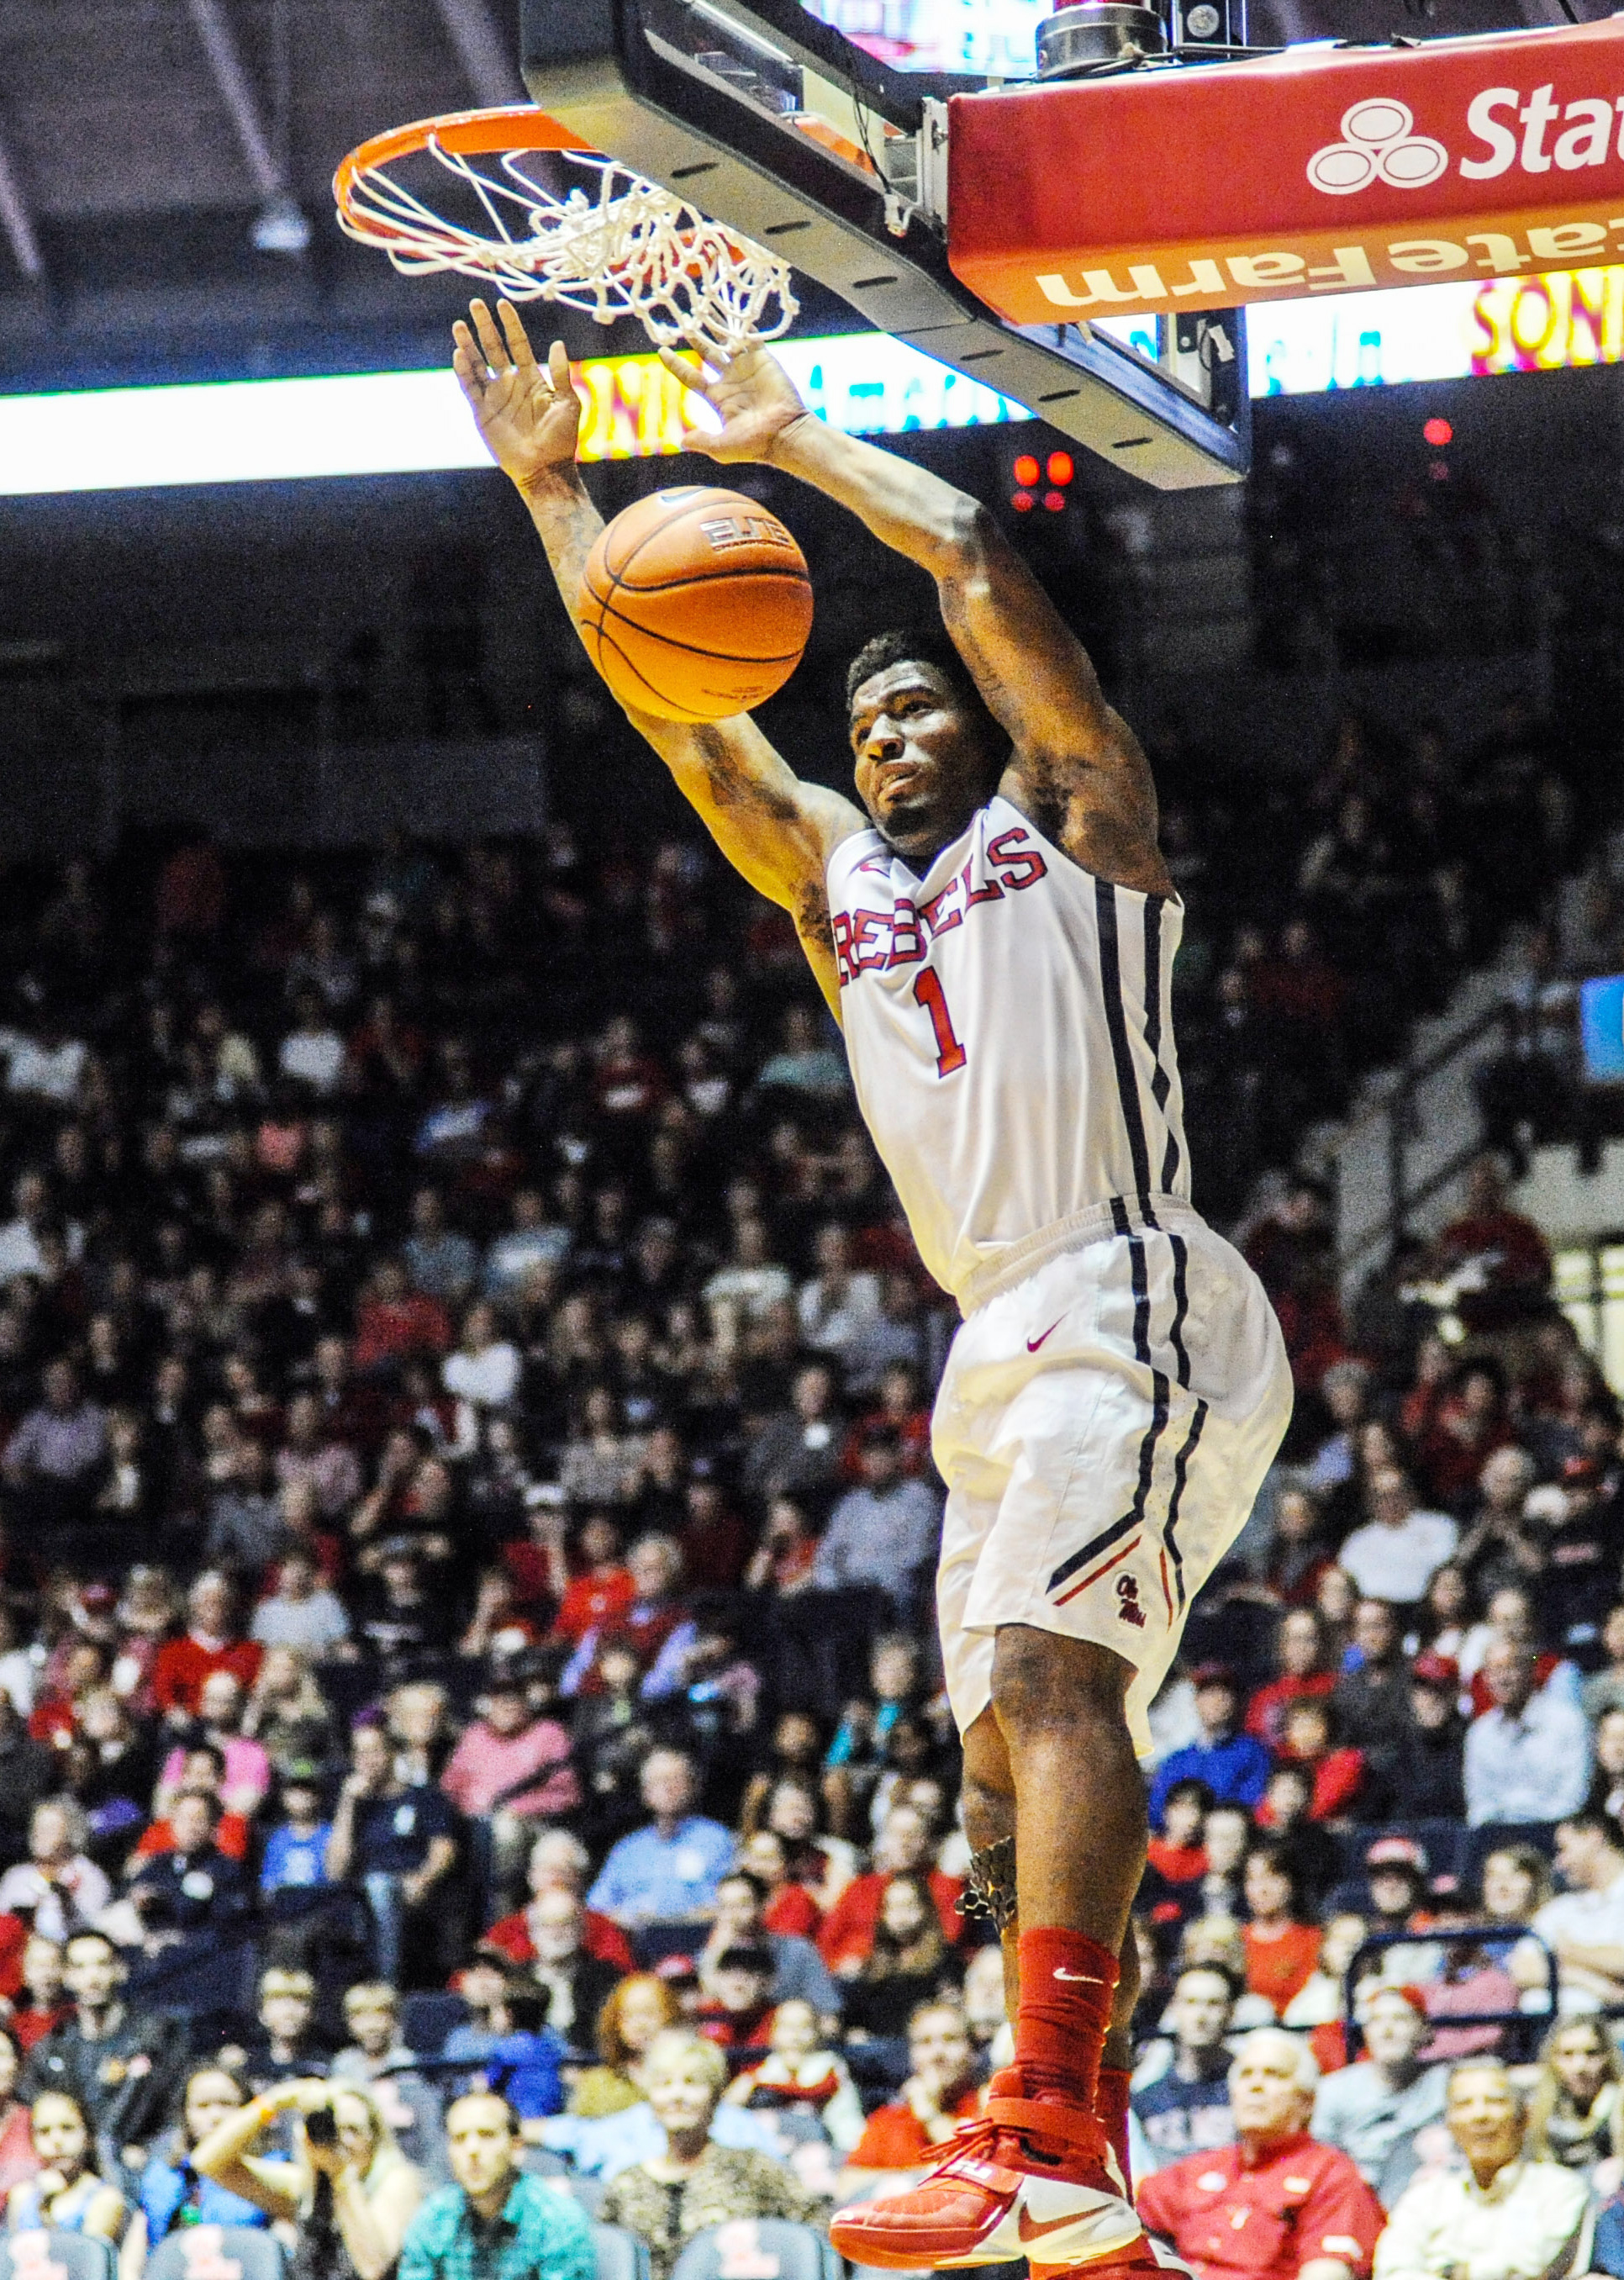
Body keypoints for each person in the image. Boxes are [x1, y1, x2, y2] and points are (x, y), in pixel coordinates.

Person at [453, 295, 1294, 2277]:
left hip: (1132, 1279)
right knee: (997, 1762)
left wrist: (799, 441)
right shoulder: (844, 888)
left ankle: (1043, 2118)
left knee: (1057, 1686)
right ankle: (1065, 2140)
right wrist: (558, 494)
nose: (888, 727)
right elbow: (687, 715)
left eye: (920, 704)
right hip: (995, 1339)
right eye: (865, 716)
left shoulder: (1081, 817)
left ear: (991, 728)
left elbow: (983, 574)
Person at [1136, 2029, 1385, 2280]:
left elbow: (1328, 2273)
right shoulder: (1203, 2167)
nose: (1255, 2086)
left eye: (1274, 2074)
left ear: (1307, 2102)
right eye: (1246, 2075)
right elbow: (1127, 2205)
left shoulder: (1331, 2173)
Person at [599, 2030, 825, 2280]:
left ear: (715, 2098)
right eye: (664, 2084)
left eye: (691, 2083)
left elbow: (817, 2230)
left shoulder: (751, 2168)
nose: (677, 2096)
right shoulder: (625, 2184)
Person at [191, 2077, 425, 2280]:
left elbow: (373, 2268)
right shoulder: (305, 2187)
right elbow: (207, 2162)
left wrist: (342, 2177)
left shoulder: (395, 2180)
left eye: (353, 2130)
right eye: (333, 2130)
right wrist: (278, 2100)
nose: (340, 2140)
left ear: (374, 2137)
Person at [1373, 2060, 1590, 2280]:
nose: (1479, 2116)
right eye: (1464, 2104)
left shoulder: (1559, 2190)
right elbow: (1393, 2270)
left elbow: (1530, 2270)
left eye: (1495, 2101)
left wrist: (1448, 2271)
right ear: (1449, 2123)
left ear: (1524, 2117)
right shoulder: (1423, 2199)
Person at [21, 1930, 189, 2167]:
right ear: (66, 1976)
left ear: (120, 1970)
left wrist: (150, 2151)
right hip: (80, 2171)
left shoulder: (158, 2036)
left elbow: (177, 2111)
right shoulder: (51, 2050)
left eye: (102, 1964)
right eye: (79, 1967)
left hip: (147, 2163)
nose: (92, 1977)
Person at [398, 2091, 593, 2280]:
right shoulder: (432, 2217)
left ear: (516, 2147)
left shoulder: (559, 2221)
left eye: (487, 2135)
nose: (472, 2150)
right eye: (459, 2138)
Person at [326, 1721, 459, 1986]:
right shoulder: (354, 1807)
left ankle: (387, 1985)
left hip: (410, 1890)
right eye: (360, 1754)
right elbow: (335, 1870)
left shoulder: (424, 1798)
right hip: (360, 1895)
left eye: (374, 1751)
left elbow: (444, 1851)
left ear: (392, 1753)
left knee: (381, 1887)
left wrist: (423, 1879)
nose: (368, 1761)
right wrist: (348, 1803)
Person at [1310, 1987, 1448, 2208]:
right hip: (1354, 2202)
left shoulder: (1446, 2085)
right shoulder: (1335, 2090)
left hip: (1430, 2201)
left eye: (1400, 2019)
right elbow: (1321, 2163)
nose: (1387, 2030)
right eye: (1376, 2020)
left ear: (1424, 2030)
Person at [124, 2066, 271, 2272]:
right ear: (185, 2115)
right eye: (202, 2106)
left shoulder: (272, 2171)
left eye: (227, 2104)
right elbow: (133, 2262)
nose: (215, 2116)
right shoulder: (162, 2174)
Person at [840, 2002, 983, 2190]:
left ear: (972, 2050)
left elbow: (979, 2171)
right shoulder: (888, 2118)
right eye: (925, 2042)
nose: (937, 2053)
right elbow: (846, 2186)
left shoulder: (988, 2106)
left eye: (950, 2040)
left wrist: (930, 2114)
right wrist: (917, 2178)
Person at [585, 1748, 733, 1929]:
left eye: (676, 1780)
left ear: (693, 1787)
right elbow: (596, 1909)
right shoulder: (628, 1850)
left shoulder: (718, 1840)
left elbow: (738, 1901)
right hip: (637, 1943)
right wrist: (626, 1917)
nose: (668, 1788)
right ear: (645, 1793)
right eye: (658, 1782)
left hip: (699, 1941)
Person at [1464, 1644, 1591, 1829]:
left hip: (1554, 1833)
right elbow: (1479, 1806)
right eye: (1492, 1671)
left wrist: (1520, 1819)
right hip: (1497, 1837)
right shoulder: (1480, 1733)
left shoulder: (1568, 1722)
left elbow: (1573, 1800)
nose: (1501, 1679)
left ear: (1530, 1670)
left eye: (1509, 1668)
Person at [1130, 1962, 1237, 2172]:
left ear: (1231, 2011)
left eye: (1213, 2004)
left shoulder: (1250, 2091)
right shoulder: (1146, 2099)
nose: (1201, 2016)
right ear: (1174, 2008)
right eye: (1190, 2002)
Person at [1519, 1809, 1624, 2010]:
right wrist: (1588, 1981)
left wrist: (1568, 1950)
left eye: (1564, 1849)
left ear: (1594, 1838)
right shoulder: (1560, 1908)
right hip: (1548, 2034)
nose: (1559, 1863)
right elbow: (1523, 1968)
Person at [1150, 1667, 1273, 1826]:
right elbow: (1156, 1811)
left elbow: (1251, 1806)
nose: (1216, 1701)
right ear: (1196, 1700)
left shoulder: (1252, 1753)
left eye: (1224, 1694)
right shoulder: (1176, 1761)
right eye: (1208, 1693)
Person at [7, 2091, 127, 2243]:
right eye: (44, 2131)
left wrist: (45, 2210)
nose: (56, 2140)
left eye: (67, 2128)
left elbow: (84, 2258)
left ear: (88, 2137)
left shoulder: (104, 2198)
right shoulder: (21, 2196)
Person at [569, 1975, 683, 2119]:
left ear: (671, 2015)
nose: (640, 2025)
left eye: (649, 2014)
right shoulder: (598, 2085)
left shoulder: (689, 2079)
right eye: (628, 2016)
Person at [1524, 2017, 1623, 2172]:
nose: (1580, 2066)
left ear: (1608, 2057)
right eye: (1568, 2054)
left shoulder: (1619, 2103)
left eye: (1592, 2054)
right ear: (1553, 2059)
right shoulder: (1537, 2110)